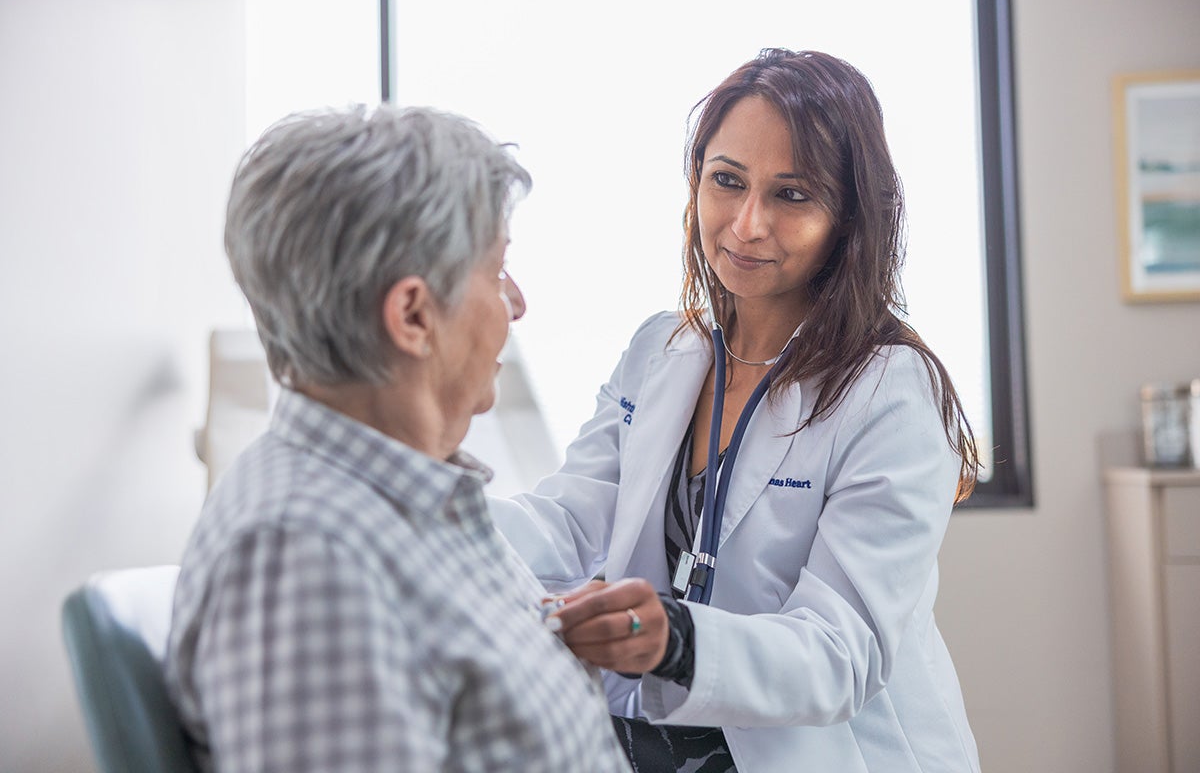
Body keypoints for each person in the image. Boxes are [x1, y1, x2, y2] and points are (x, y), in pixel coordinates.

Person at [489, 48, 982, 772]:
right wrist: (429, 516)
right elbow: (568, 521)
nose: (747, 224)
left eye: (791, 195)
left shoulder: (890, 392)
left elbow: (839, 653)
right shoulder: (663, 349)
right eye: (727, 181)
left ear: (847, 215)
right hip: (647, 744)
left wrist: (678, 640)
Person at [164, 104, 631, 772]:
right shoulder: (307, 558)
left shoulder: (408, 497)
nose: (517, 302)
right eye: (497, 271)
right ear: (413, 315)